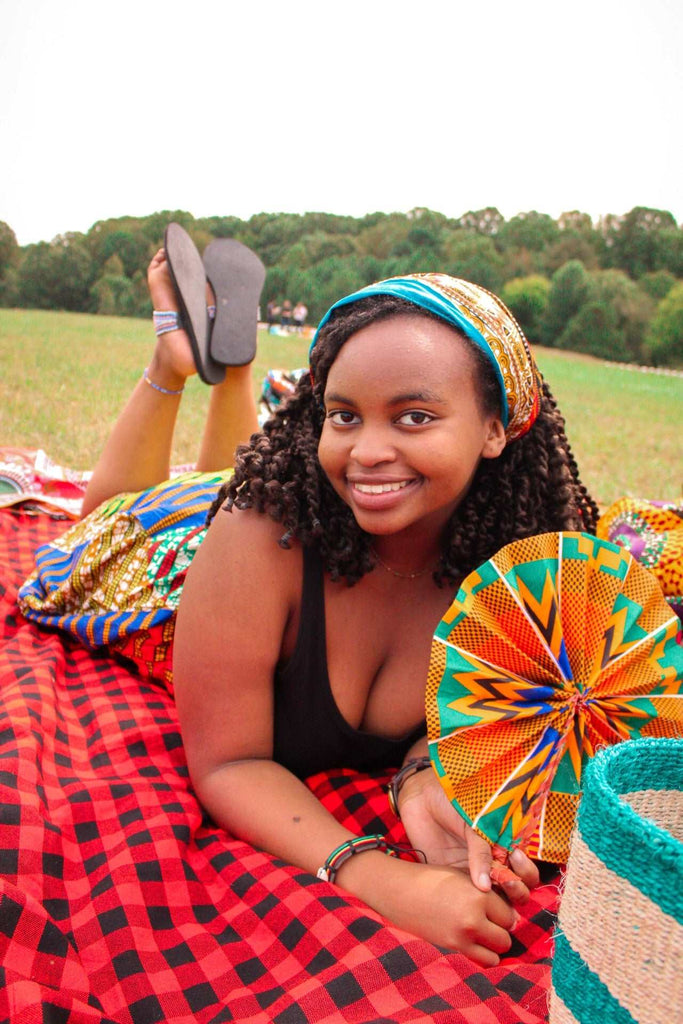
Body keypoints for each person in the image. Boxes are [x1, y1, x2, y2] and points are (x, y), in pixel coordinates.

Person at [21, 235, 600, 967]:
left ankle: (229, 369)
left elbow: (468, 713)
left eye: (413, 417)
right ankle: (173, 361)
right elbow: (227, 763)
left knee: (223, 481)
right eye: (344, 415)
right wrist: (379, 878)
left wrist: (426, 778)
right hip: (169, 568)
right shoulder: (258, 535)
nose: (364, 451)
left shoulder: (522, 582)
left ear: (495, 429)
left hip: (267, 525)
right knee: (112, 509)